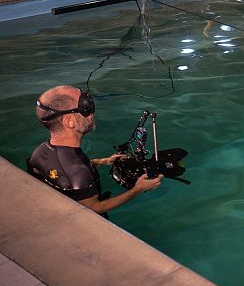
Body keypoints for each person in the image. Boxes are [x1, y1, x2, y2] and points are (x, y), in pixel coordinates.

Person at [27, 85, 162, 216]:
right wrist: (137, 189)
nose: (92, 113)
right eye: (86, 108)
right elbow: (93, 209)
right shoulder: (78, 172)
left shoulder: (40, 151)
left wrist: (104, 161)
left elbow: (64, 173)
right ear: (69, 121)